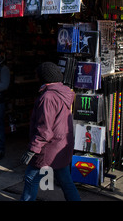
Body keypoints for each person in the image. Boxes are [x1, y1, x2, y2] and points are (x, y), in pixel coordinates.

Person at [20, 62, 80, 201]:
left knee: (31, 178)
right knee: (66, 181)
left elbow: (44, 129)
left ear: (43, 77)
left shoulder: (48, 97)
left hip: (49, 148)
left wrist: (32, 149)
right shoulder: (64, 92)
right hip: (62, 145)